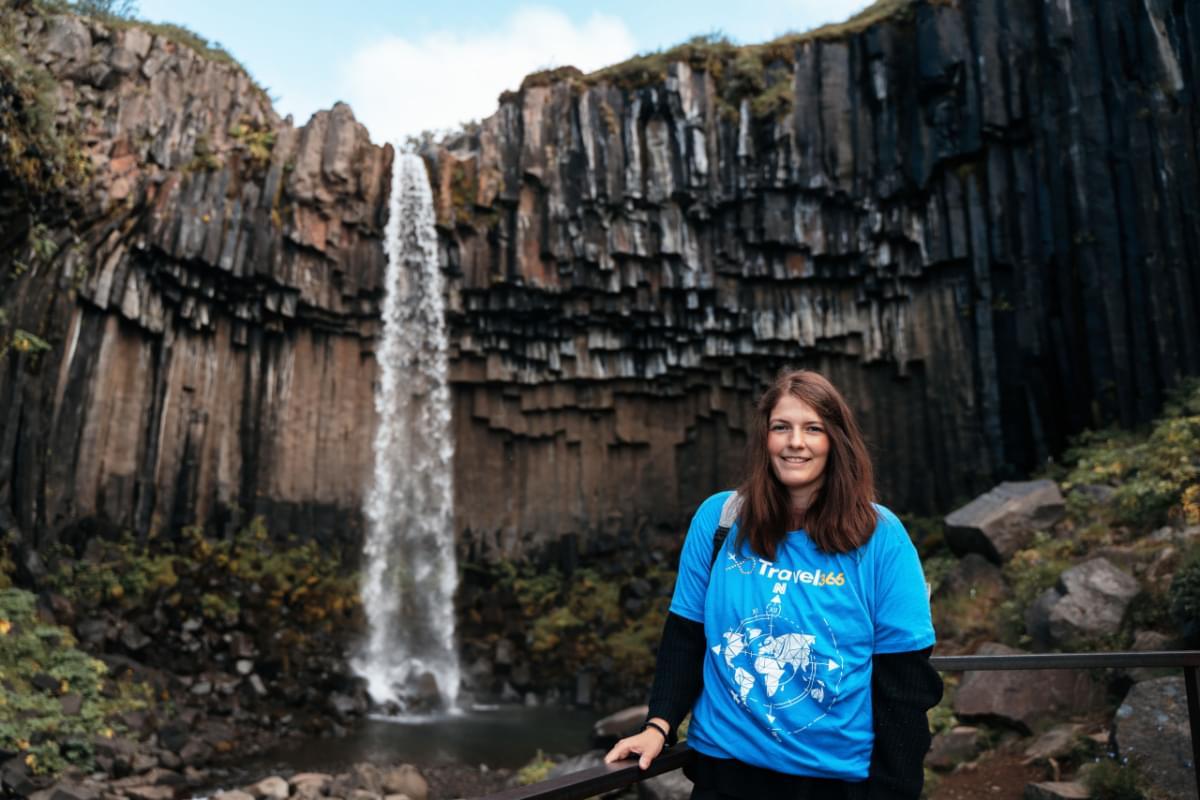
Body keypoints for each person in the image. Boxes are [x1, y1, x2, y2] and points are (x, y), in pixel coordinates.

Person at [605, 369, 942, 799]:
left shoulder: (881, 538)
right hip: (724, 776)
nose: (794, 442)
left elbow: (905, 683)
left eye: (812, 429)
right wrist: (659, 724)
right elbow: (686, 635)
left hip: (832, 781)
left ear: (836, 440)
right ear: (765, 438)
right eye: (781, 427)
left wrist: (894, 791)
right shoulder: (720, 520)